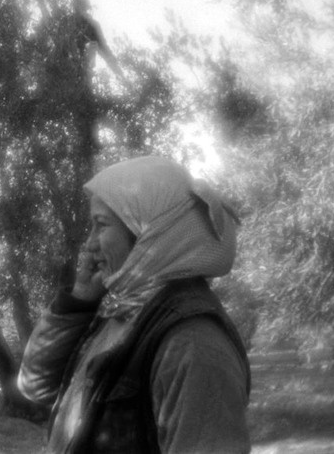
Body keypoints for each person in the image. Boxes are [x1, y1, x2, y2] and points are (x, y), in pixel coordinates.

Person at [17, 156, 251, 453]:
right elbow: (36, 385)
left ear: (147, 232)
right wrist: (79, 300)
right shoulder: (121, 307)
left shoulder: (193, 345)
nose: (88, 245)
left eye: (100, 225)